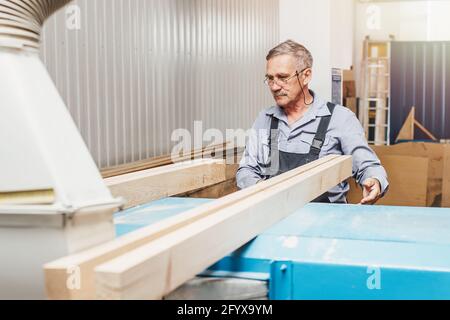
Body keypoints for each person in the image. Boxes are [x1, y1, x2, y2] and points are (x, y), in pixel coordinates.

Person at [236, 40, 388, 204]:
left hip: (325, 223)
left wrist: (375, 180)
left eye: (283, 77)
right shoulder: (264, 119)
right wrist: (263, 191)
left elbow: (366, 164)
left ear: (306, 75)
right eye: (270, 78)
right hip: (274, 217)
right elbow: (246, 169)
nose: (274, 86)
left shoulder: (340, 119)